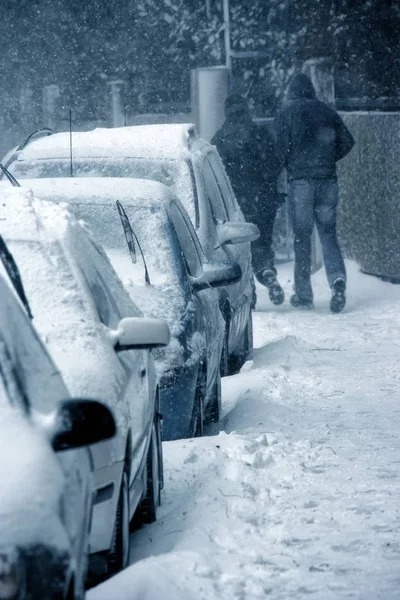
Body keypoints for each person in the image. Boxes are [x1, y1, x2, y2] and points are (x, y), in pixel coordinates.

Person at [275, 73, 354, 313]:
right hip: (328, 180)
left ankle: (304, 294)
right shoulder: (327, 111)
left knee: (302, 239)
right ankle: (337, 281)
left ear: (292, 91)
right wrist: (328, 158)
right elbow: (347, 142)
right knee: (328, 235)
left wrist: (288, 167)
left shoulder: (286, 113)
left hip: (301, 183)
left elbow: (280, 149)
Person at [211, 94, 285, 306]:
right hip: (263, 199)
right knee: (262, 241)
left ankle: (249, 289)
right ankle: (267, 271)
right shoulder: (260, 134)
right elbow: (274, 164)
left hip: (235, 203)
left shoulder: (220, 139)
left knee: (241, 247)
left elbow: (216, 176)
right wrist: (268, 188)